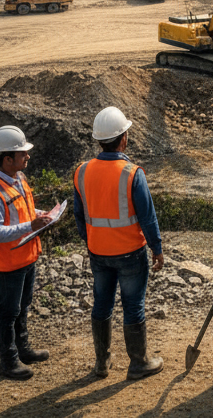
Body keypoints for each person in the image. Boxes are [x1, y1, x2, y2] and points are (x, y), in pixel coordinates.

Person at [74, 106, 164, 380]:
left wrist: (91, 241)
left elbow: (80, 216)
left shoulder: (82, 172)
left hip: (99, 253)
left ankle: (102, 363)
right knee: (133, 306)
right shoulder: (131, 173)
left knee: (102, 305)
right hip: (129, 254)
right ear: (123, 138)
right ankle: (138, 363)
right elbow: (147, 218)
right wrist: (157, 249)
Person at [0, 125, 53, 380]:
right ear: (7, 159)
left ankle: (23, 350)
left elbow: (21, 213)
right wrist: (30, 226)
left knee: (22, 307)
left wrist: (39, 215)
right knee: (8, 311)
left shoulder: (18, 180)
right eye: (23, 153)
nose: (28, 157)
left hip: (24, 257)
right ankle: (8, 362)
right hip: (7, 263)